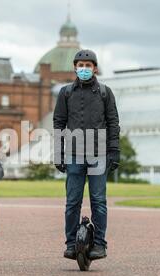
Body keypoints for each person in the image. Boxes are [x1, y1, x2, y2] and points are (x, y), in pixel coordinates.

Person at [53, 49, 120, 260]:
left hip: (99, 155)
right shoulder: (65, 93)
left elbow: (113, 123)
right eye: (80, 66)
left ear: (95, 68)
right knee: (72, 201)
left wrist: (114, 151)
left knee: (98, 200)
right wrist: (58, 153)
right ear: (75, 68)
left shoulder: (105, 93)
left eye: (88, 66)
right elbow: (58, 123)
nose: (84, 69)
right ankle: (71, 244)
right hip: (73, 155)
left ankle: (100, 244)